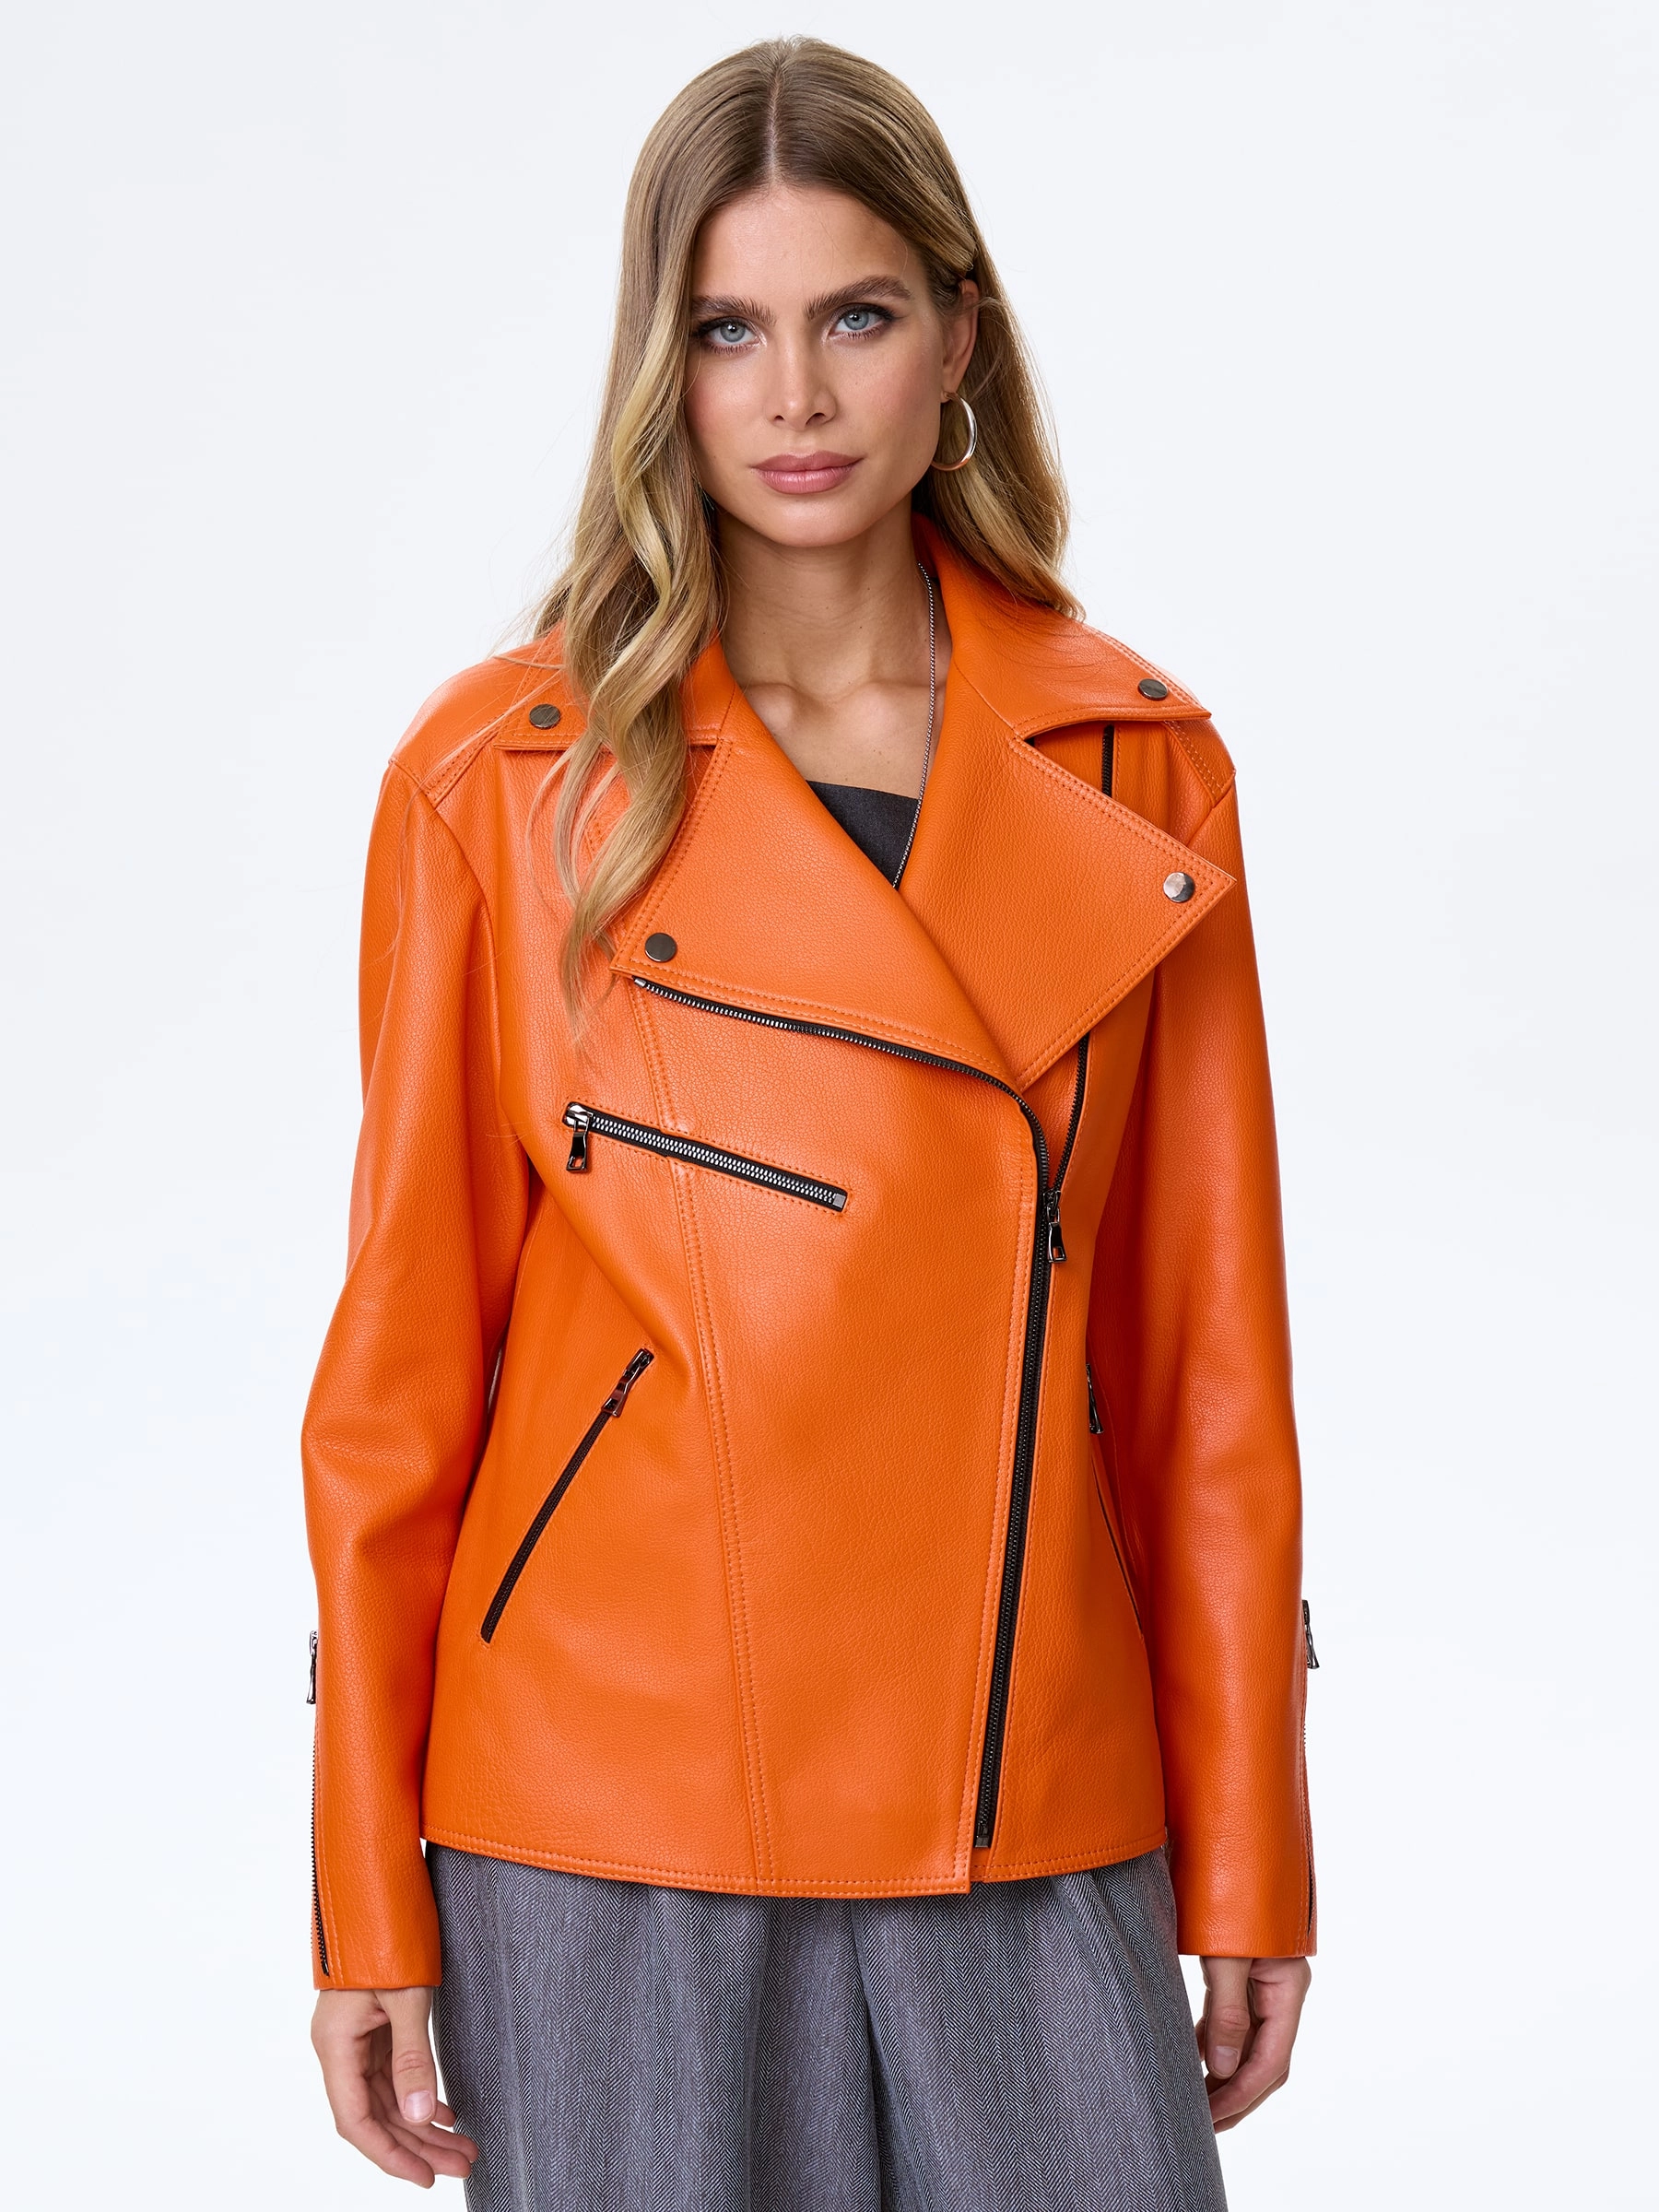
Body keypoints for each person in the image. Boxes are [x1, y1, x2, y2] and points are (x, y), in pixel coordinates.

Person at [303, 37, 1314, 2209]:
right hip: (611, 1803)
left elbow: (1206, 1373)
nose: (793, 397)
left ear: (960, 335)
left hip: (1027, 1775)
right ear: (654, 370)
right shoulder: (503, 780)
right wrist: (363, 1895)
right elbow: (397, 1385)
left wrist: (1252, 1840)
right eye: (723, 331)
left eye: (855, 315)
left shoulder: (1139, 767)